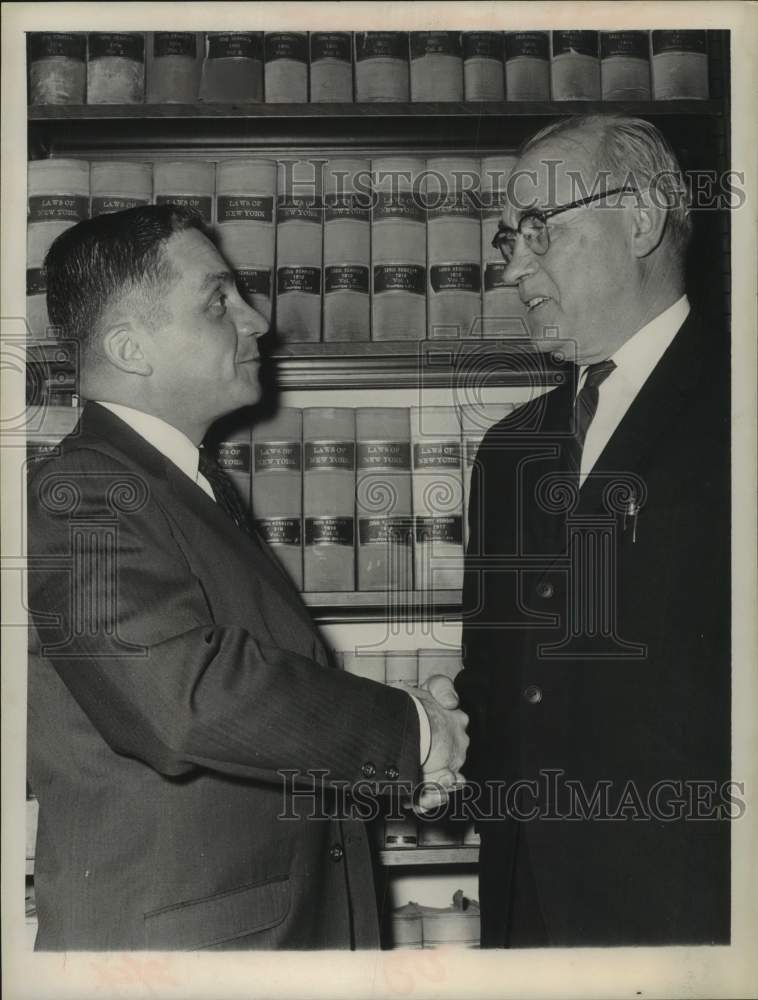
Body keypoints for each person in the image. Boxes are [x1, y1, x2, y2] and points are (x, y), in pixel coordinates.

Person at [26, 205, 468, 950]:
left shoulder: (180, 484)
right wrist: (411, 731)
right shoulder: (81, 493)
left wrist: (399, 759)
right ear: (130, 348)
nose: (258, 320)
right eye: (217, 301)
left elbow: (254, 723)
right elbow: (185, 696)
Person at [457, 115, 730, 947]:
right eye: (510, 239)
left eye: (540, 231)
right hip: (523, 906)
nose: (512, 268)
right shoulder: (508, 452)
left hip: (691, 916)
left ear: (642, 218)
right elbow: (503, 679)